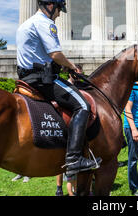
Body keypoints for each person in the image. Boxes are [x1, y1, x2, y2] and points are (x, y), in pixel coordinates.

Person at [16, 0, 101, 178]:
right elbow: (55, 54)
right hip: (42, 80)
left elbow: (43, 55)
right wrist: (71, 66)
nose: (60, 14)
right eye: (60, 9)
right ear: (51, 5)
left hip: (27, 76)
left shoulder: (27, 24)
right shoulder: (45, 23)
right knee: (82, 105)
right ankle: (73, 159)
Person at [56, 64, 84, 196]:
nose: (79, 75)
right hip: (67, 123)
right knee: (63, 163)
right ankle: (59, 187)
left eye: (80, 73)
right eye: (77, 73)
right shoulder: (65, 85)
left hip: (76, 126)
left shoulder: (79, 85)